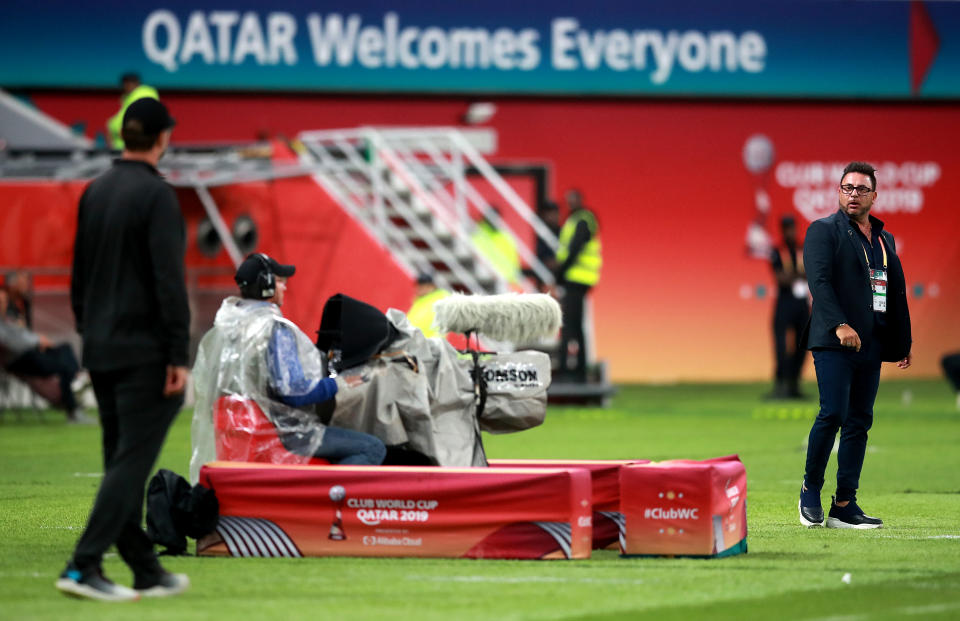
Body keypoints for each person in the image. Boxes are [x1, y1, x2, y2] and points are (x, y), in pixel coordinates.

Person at [58, 98, 190, 601]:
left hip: (101, 347)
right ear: (162, 138)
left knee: (120, 458)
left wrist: (88, 332)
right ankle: (82, 565)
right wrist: (178, 353)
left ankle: (144, 568)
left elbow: (78, 277)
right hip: (144, 351)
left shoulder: (95, 191)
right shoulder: (157, 197)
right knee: (131, 462)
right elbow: (167, 282)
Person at [190, 253, 386, 483]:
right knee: (372, 448)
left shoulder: (225, 329)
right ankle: (325, 505)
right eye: (281, 281)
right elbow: (294, 391)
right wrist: (339, 383)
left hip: (247, 432)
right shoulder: (274, 329)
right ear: (267, 285)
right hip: (284, 434)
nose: (285, 287)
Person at [798, 161, 912, 530]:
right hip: (834, 341)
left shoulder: (884, 240)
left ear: (874, 197)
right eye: (847, 187)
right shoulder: (822, 231)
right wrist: (840, 324)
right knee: (833, 412)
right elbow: (819, 283)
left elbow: (889, 293)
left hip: (872, 343)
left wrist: (901, 339)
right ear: (838, 192)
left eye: (861, 189)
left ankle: (844, 503)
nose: (853, 194)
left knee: (860, 420)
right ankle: (810, 490)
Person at [0, 287, 89, 423]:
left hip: (32, 353)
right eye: (1, 301)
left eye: (5, 301)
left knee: (65, 348)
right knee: (63, 367)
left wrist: (36, 340)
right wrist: (36, 341)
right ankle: (73, 410)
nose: (3, 304)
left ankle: (76, 379)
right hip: (21, 360)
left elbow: (23, 335)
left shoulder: (9, 320)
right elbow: (14, 344)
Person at [555, 189, 602, 382]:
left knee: (570, 327)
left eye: (572, 199)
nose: (570, 202)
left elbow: (574, 248)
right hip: (576, 279)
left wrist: (560, 272)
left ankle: (571, 371)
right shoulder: (576, 219)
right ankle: (576, 369)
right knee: (573, 326)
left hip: (577, 278)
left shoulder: (582, 220)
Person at [768, 216, 810, 399]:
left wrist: (793, 274)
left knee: (803, 344)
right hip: (784, 303)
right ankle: (780, 386)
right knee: (781, 346)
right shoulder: (777, 251)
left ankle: (794, 385)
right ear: (782, 230)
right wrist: (798, 274)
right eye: (786, 229)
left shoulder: (803, 249)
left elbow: (811, 273)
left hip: (801, 305)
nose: (789, 232)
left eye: (791, 228)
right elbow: (780, 278)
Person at [106, 73, 159, 150]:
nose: (125, 87)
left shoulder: (144, 94)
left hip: (136, 148)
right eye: (124, 84)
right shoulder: (128, 98)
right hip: (122, 148)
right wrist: (111, 127)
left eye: (128, 83)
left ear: (136, 83)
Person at [471, 206, 521, 286]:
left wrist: (514, 284)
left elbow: (514, 265)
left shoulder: (507, 238)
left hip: (505, 283)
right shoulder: (476, 236)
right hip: (483, 281)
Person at [407, 273, 451, 339]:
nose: (419, 288)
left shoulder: (442, 298)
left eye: (423, 286)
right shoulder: (419, 301)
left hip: (428, 344)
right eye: (419, 285)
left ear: (432, 286)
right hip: (413, 342)